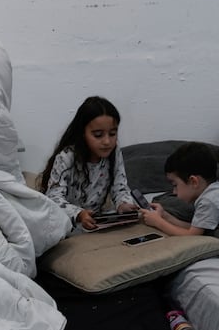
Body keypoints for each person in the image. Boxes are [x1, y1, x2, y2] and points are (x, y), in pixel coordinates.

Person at [39, 96, 142, 231]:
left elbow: (120, 186)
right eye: (98, 135)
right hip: (68, 223)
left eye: (112, 133)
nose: (107, 141)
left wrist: (124, 204)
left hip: (97, 221)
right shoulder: (67, 157)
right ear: (83, 133)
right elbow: (54, 198)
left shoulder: (114, 152)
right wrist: (79, 214)